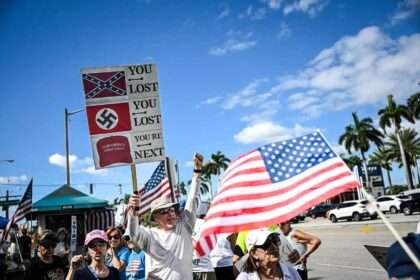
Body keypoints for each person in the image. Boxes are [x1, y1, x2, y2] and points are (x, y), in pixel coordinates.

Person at [127, 153, 203, 280]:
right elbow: (133, 233)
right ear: (155, 218)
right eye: (164, 211)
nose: (170, 213)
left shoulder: (185, 226)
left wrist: (197, 172)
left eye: (172, 210)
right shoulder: (149, 235)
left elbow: (192, 199)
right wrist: (133, 210)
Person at [236, 229, 301, 280]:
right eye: (267, 244)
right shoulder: (245, 278)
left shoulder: (291, 272)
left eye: (275, 241)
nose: (274, 247)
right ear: (254, 254)